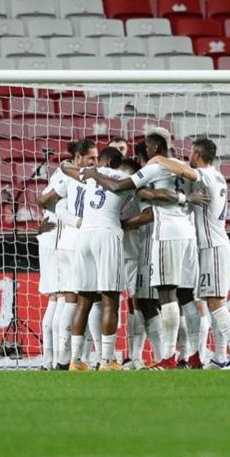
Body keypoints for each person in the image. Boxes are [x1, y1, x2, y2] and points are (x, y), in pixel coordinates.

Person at [82, 128, 203, 370]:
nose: (144, 153)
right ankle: (193, 355)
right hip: (189, 234)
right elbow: (186, 188)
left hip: (166, 234)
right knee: (187, 298)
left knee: (165, 297)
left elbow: (120, 186)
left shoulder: (155, 167)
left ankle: (167, 357)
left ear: (156, 148)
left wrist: (94, 174)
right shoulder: (184, 167)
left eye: (147, 148)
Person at [148, 138, 230, 370]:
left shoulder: (206, 175)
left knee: (216, 303)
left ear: (198, 155)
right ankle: (219, 357)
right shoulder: (219, 176)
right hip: (213, 246)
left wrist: (159, 158)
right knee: (213, 302)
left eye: (191, 153)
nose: (188, 157)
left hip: (213, 247)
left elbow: (183, 170)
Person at [60, 147, 129, 371]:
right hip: (107, 235)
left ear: (102, 160)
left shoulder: (89, 175)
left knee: (84, 300)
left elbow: (65, 167)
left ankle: (75, 360)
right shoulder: (124, 177)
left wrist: (80, 168)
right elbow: (145, 196)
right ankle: (107, 361)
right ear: (118, 162)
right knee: (110, 299)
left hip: (84, 236)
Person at [37, 139, 98, 370]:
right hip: (62, 242)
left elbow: (42, 200)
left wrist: (46, 215)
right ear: (78, 158)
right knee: (67, 299)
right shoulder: (69, 174)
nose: (94, 161)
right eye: (90, 157)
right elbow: (42, 199)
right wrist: (50, 216)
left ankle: (50, 361)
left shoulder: (67, 172)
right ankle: (63, 361)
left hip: (56, 241)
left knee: (57, 300)